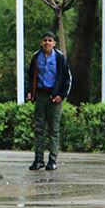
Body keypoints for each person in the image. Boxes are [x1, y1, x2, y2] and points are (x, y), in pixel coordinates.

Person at [25, 31, 72, 171]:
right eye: (45, 40)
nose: (47, 43)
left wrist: (62, 95)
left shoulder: (59, 57)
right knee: (39, 128)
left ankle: (52, 160)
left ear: (54, 43)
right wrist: (29, 91)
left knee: (53, 129)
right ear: (41, 42)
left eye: (50, 40)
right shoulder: (36, 56)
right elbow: (30, 76)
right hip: (40, 95)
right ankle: (38, 159)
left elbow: (67, 78)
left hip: (54, 97)